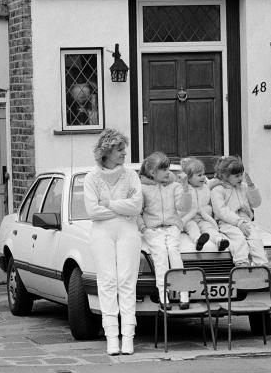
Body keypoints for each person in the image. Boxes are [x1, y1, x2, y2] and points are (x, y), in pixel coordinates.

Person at [84, 129, 142, 356]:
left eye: (124, 149)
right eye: (119, 149)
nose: (124, 153)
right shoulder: (91, 178)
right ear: (106, 152)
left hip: (128, 232)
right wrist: (121, 207)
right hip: (101, 234)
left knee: (127, 282)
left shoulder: (131, 176)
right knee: (107, 282)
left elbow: (136, 207)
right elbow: (92, 211)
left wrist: (108, 203)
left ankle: (128, 337)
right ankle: (111, 337)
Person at [210, 156, 271, 279]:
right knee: (238, 239)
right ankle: (242, 266)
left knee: (255, 238)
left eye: (241, 174)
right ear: (225, 176)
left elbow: (256, 203)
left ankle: (263, 267)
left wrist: (252, 187)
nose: (240, 178)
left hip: (245, 220)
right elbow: (221, 210)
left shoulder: (243, 187)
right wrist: (238, 223)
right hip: (227, 222)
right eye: (236, 176)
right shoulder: (218, 190)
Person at [137, 152, 191, 310]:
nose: (168, 172)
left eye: (168, 169)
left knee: (174, 253)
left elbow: (183, 207)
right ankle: (163, 295)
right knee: (160, 256)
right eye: (164, 170)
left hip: (172, 227)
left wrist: (185, 188)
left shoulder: (174, 186)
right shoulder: (143, 189)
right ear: (153, 173)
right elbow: (137, 213)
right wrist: (144, 229)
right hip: (153, 230)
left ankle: (183, 294)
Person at [179, 157, 230, 252]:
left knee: (209, 228)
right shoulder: (182, 189)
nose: (203, 177)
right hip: (188, 219)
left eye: (203, 174)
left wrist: (223, 181)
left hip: (203, 217)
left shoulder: (206, 186)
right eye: (199, 175)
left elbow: (215, 181)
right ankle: (198, 241)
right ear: (188, 178)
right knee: (192, 228)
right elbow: (181, 204)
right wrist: (185, 188)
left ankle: (220, 241)